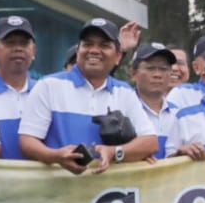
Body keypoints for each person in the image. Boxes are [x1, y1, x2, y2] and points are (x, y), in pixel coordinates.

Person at [19, 18, 158, 173]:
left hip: (106, 194)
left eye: (104, 45)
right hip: (56, 192)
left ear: (118, 56)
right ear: (78, 51)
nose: (94, 50)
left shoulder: (125, 92)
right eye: (87, 44)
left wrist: (114, 153)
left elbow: (150, 142)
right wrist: (56, 156)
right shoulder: (48, 85)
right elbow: (27, 141)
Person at [0, 15, 38, 160]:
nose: (18, 48)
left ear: (33, 51)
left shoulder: (45, 92)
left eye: (24, 43)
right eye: (10, 43)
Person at [128, 41, 178, 159]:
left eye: (163, 69)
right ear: (133, 74)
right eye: (150, 68)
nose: (157, 74)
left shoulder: (179, 114)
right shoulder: (123, 110)